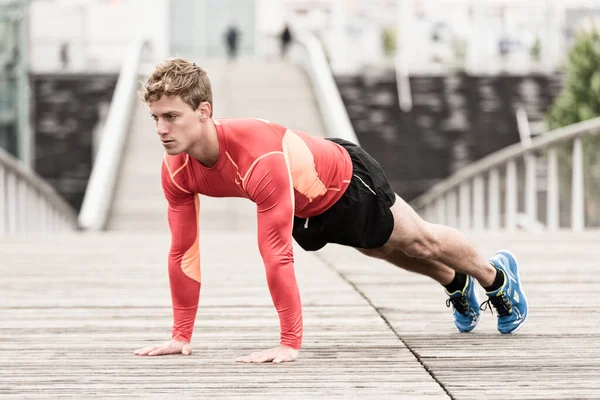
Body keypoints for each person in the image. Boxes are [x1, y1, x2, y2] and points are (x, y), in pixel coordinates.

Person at [133, 57, 528, 364]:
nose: (161, 129)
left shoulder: (256, 155)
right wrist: (180, 335)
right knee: (376, 247)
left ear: (203, 112)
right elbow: (183, 250)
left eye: (171, 116)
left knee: (418, 240)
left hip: (345, 181)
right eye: (155, 118)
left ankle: (495, 277)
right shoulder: (178, 170)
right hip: (306, 206)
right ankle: (455, 281)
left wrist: (289, 343)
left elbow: (275, 253)